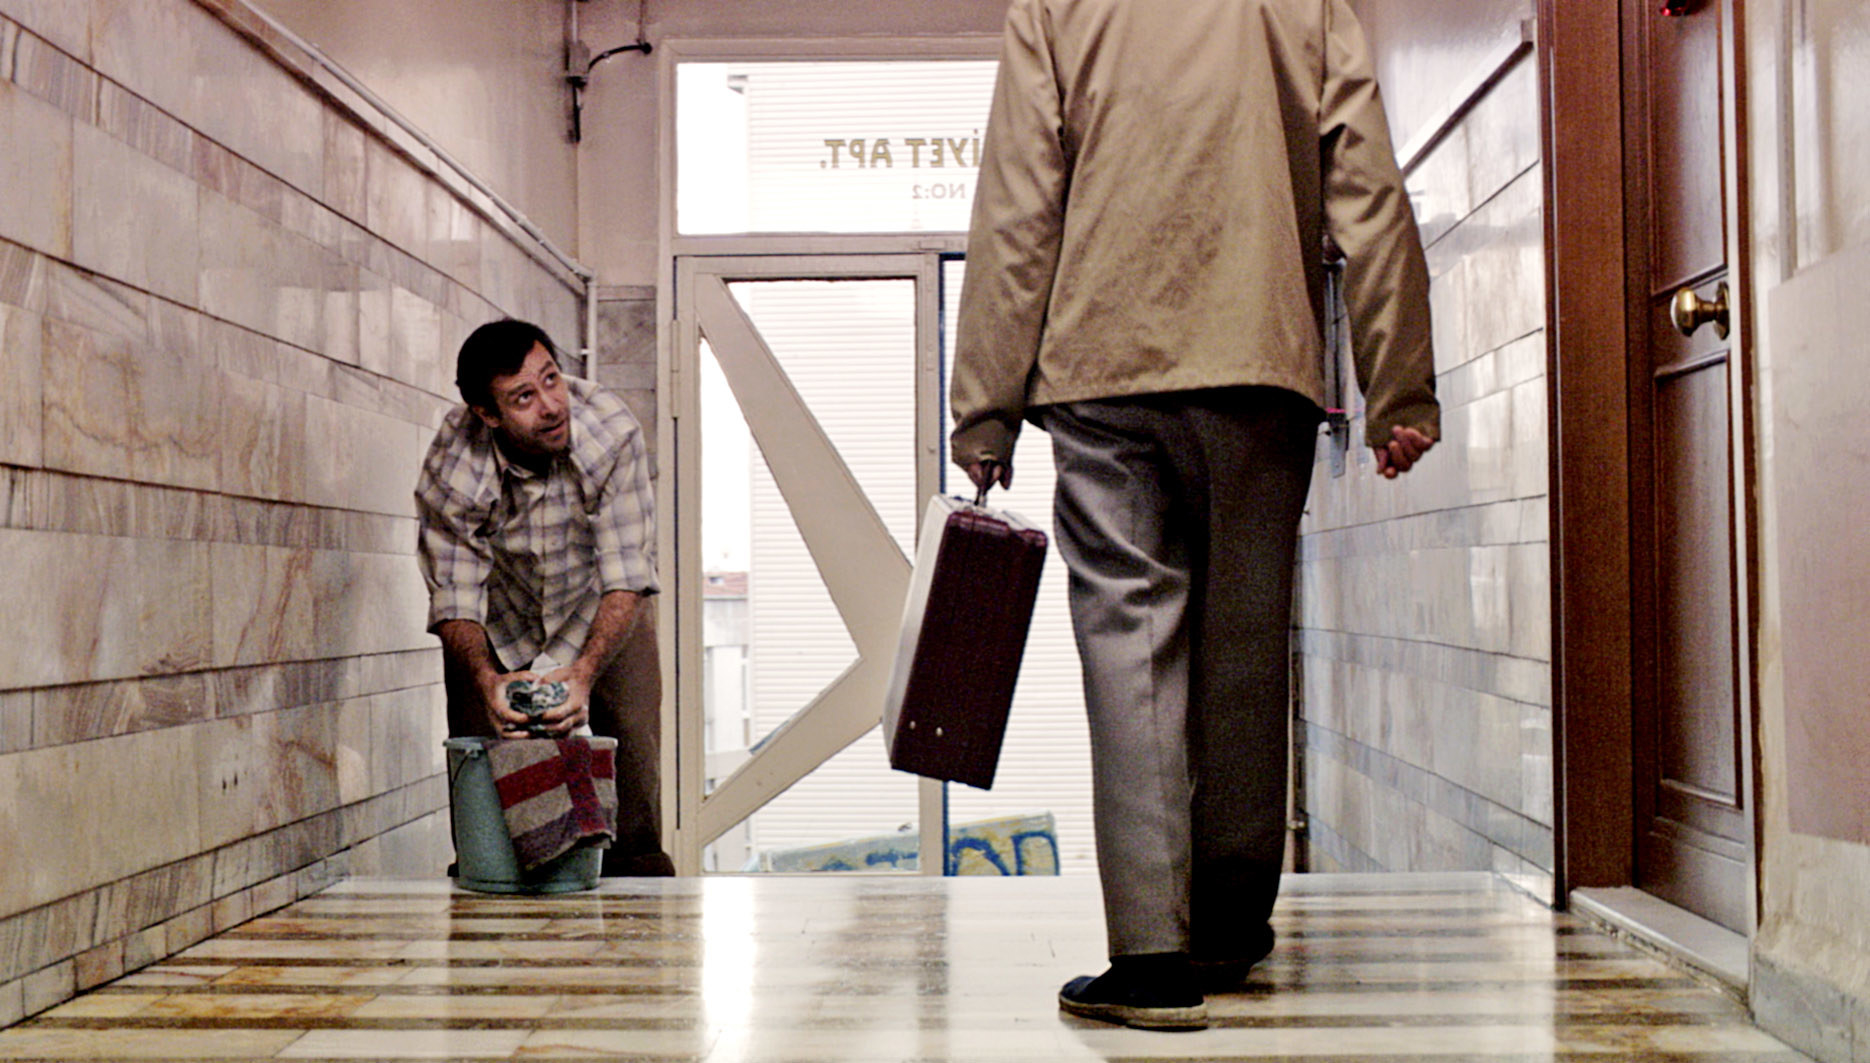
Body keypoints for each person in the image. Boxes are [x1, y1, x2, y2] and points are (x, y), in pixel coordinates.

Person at [950, 0, 1440, 1030]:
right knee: (1245, 645)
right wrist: (1401, 386)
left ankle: (1152, 957)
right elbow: (1367, 181)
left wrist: (985, 408)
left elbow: (1016, 207)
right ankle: (1225, 921)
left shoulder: (1056, 9)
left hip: (1103, 368)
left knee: (1129, 646)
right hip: (1259, 363)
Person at [415, 318, 673, 877]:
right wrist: (487, 681)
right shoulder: (454, 466)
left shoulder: (610, 432)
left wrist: (583, 671)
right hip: (499, 616)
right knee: (479, 755)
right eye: (524, 397)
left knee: (631, 742)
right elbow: (455, 595)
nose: (552, 405)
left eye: (551, 379)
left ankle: (637, 891)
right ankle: (490, 882)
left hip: (597, 602)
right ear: (487, 414)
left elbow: (627, 571)